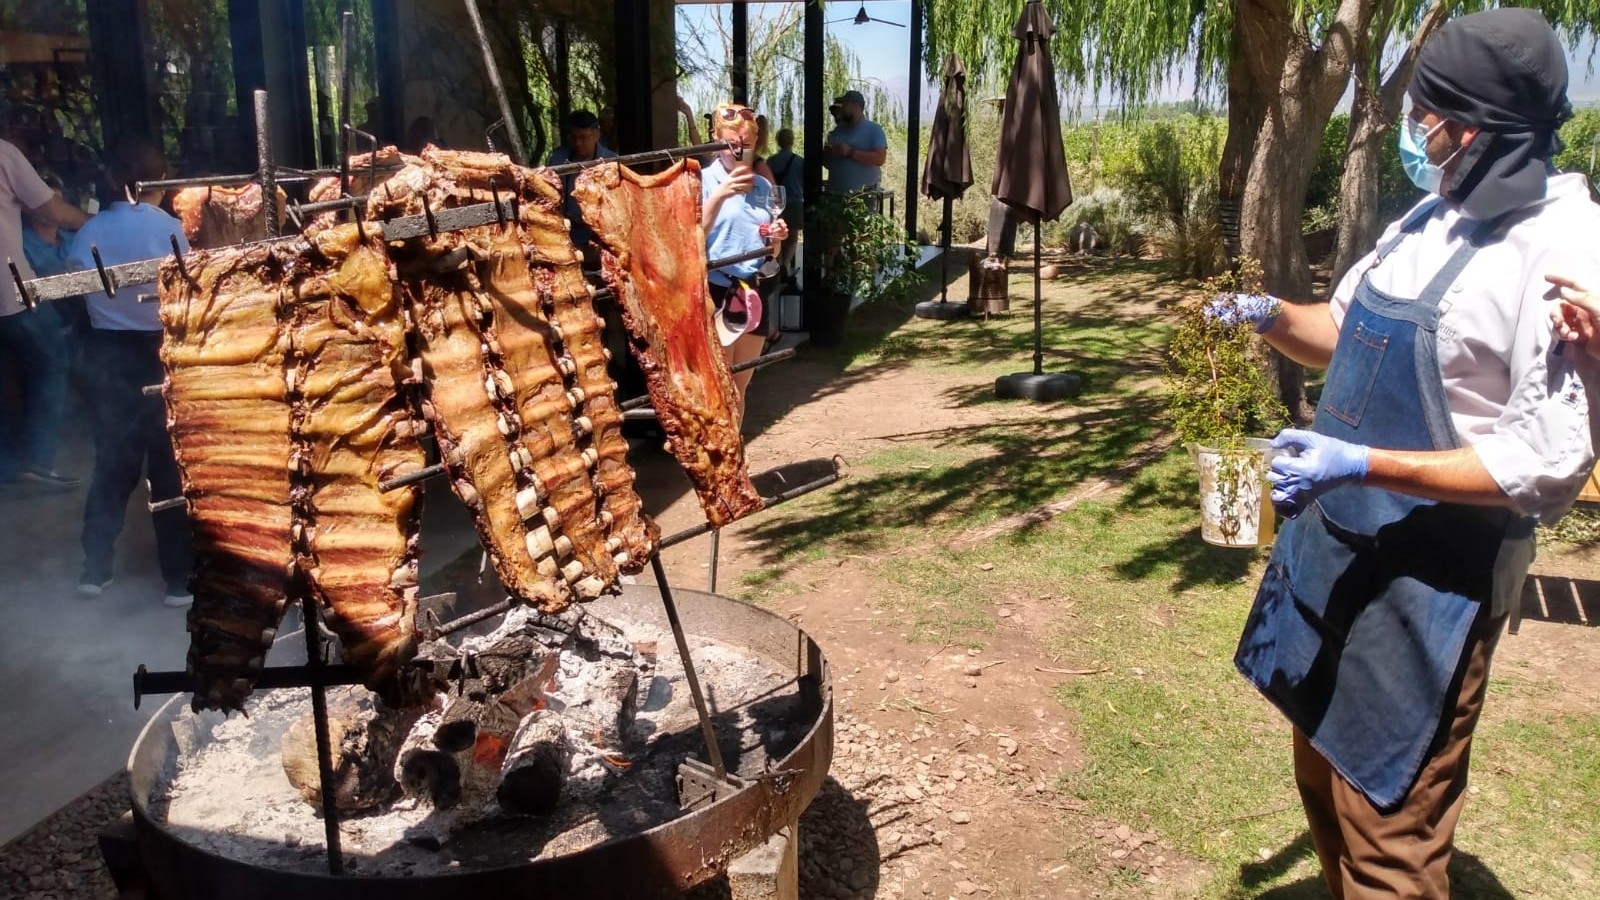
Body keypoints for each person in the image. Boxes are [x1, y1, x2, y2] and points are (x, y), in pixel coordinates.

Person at [1207, 11, 1600, 897]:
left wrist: (1360, 463)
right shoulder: (1430, 216)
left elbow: (1541, 468)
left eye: (1428, 115)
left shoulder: (1566, 254)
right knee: (1319, 769)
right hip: (1340, 550)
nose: (1417, 132)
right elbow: (1343, 330)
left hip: (1436, 585)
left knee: (1388, 823)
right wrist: (1267, 314)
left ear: (1477, 125)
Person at [65, 138, 193, 608]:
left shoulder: (90, 231)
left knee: (113, 467)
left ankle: (94, 572)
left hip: (110, 356)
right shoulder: (173, 230)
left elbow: (78, 287)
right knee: (169, 469)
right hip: (163, 352)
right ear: (158, 183)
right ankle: (178, 580)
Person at [0, 139, 90, 491]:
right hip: (10, 293)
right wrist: (94, 222)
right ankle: (37, 460)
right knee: (52, 361)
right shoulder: (4, 154)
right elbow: (49, 211)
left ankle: (8, 465)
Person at [700, 102, 788, 416]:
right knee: (718, 386)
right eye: (731, 144)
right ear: (716, 139)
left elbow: (771, 252)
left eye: (745, 145)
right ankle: (715, 462)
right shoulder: (701, 181)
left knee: (740, 386)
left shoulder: (762, 185)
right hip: (717, 289)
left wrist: (775, 238)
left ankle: (734, 458)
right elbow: (693, 237)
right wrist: (721, 194)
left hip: (753, 289)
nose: (738, 151)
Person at [546, 109, 617, 267]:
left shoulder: (611, 161)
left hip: (599, 236)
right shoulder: (557, 158)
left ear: (596, 135)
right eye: (573, 137)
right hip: (566, 234)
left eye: (583, 137)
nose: (578, 143)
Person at [821, 90, 887, 194]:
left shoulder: (874, 130)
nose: (842, 108)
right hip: (836, 197)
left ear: (856, 105)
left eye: (845, 104)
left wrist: (850, 152)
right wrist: (827, 154)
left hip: (863, 198)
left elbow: (880, 159)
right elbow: (828, 164)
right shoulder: (836, 131)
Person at [766, 128, 805, 284]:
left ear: (778, 141)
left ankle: (776, 264)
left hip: (776, 204)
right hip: (795, 202)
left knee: (777, 236)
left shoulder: (770, 161)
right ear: (792, 141)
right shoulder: (799, 161)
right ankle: (785, 263)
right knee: (793, 238)